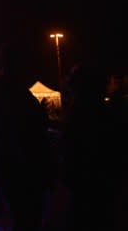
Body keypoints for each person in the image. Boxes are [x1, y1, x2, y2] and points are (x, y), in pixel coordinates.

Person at [0, 41, 52, 231]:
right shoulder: (14, 95)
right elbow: (23, 133)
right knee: (26, 218)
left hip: (12, 172)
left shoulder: (0, 93)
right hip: (23, 172)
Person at [61, 62, 122, 231]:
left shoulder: (80, 115)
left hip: (86, 191)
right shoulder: (107, 114)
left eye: (72, 81)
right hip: (102, 191)